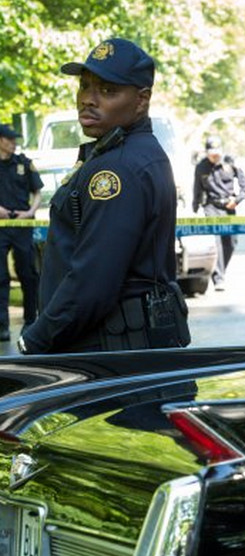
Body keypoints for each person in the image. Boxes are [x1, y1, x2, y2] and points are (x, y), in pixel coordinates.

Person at [18, 38, 189, 354]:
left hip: (109, 352)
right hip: (129, 348)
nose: (88, 99)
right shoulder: (135, 153)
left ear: (141, 100)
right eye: (84, 86)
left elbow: (93, 283)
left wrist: (35, 339)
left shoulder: (116, 168)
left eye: (108, 90)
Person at [0, 124, 43, 341]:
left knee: (27, 274)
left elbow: (38, 192)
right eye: (10, 139)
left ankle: (30, 322)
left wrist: (30, 212)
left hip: (22, 226)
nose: (14, 143)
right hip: (0, 228)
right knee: (0, 276)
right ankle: (2, 327)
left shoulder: (24, 164)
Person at [192, 135, 245, 290]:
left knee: (231, 242)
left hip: (229, 206)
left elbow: (244, 186)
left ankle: (221, 272)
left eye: (217, 153)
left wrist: (237, 200)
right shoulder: (201, 167)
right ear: (207, 152)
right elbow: (197, 189)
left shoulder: (230, 163)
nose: (214, 156)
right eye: (211, 154)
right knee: (216, 242)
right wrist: (195, 207)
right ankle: (218, 279)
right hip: (211, 207)